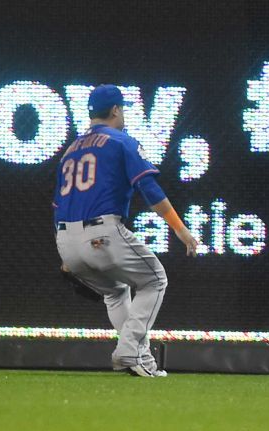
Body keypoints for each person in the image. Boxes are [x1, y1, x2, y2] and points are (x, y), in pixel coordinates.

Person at [53, 84, 198, 377]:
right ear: (116, 109)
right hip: (102, 232)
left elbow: (59, 203)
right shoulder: (121, 141)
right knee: (155, 280)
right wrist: (180, 229)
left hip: (64, 238)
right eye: (124, 108)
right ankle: (129, 349)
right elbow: (149, 187)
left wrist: (68, 253)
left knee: (116, 292)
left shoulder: (70, 150)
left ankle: (140, 360)